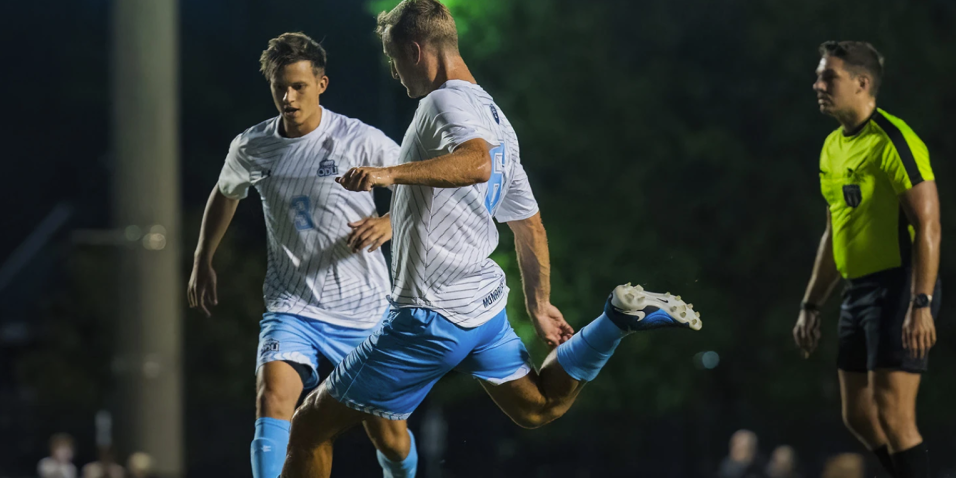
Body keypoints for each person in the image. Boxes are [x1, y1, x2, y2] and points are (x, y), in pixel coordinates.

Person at [281, 1, 702, 476]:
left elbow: (476, 162)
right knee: (539, 407)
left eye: (395, 61)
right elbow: (529, 224)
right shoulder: (497, 118)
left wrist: (386, 174)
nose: (397, 74)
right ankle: (615, 321)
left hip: (428, 317)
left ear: (416, 51)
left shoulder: (443, 102)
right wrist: (540, 306)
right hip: (482, 309)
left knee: (308, 428)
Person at [186, 32, 416, 478]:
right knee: (272, 396)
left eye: (299, 87)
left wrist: (389, 224)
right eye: (280, 88)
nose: (288, 98)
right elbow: (226, 192)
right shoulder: (253, 146)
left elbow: (418, 185)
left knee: (388, 434)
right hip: (292, 306)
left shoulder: (359, 139)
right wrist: (202, 257)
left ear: (321, 85)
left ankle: (403, 473)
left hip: (364, 308)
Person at [794, 41, 940, 478]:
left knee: (894, 415)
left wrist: (922, 303)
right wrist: (810, 304)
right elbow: (834, 232)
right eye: (819, 76)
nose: (817, 84)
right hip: (857, 289)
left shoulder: (894, 140)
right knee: (857, 414)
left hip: (900, 285)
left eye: (829, 77)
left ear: (862, 83)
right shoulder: (831, 148)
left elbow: (929, 227)